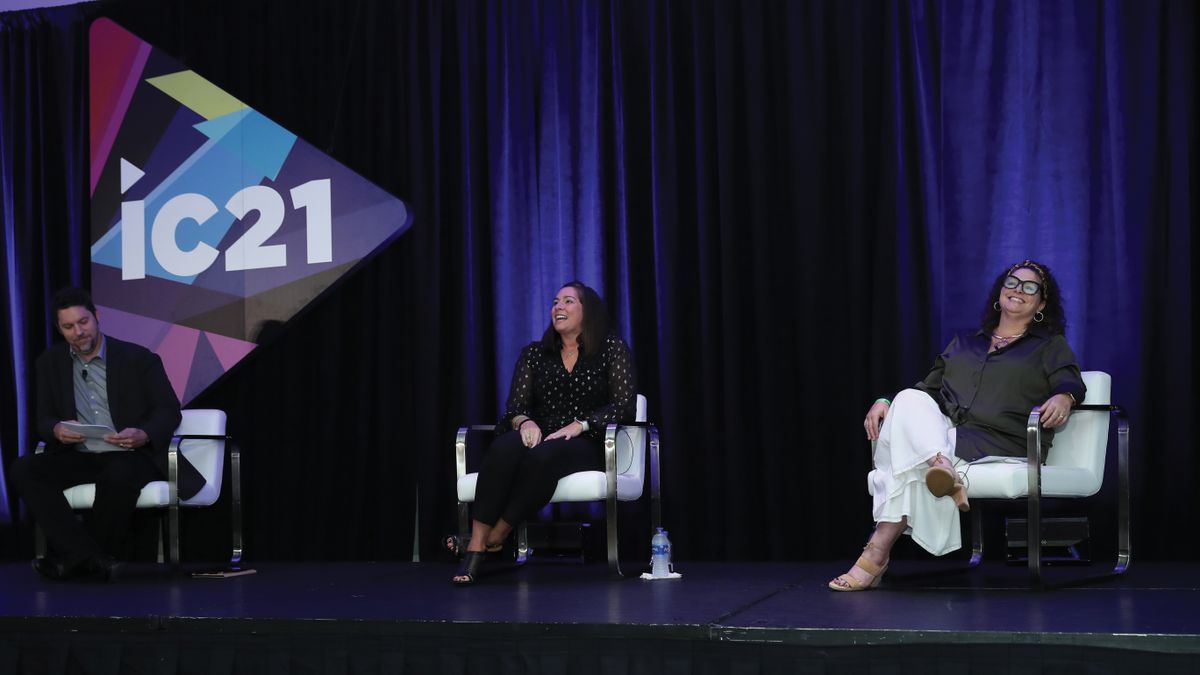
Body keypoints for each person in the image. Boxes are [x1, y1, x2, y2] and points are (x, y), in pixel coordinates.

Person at [829, 260, 1086, 591]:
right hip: (949, 438)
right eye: (1013, 282)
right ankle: (941, 466)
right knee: (908, 397)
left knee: (905, 457)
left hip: (1003, 441)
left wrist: (1064, 397)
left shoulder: (1049, 346)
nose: (1018, 290)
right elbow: (926, 391)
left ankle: (876, 552)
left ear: (1041, 304)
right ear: (999, 292)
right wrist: (886, 402)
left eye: (1030, 287)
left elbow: (1070, 379)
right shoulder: (964, 343)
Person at [10, 287, 204, 581]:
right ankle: (91, 558)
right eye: (68, 327)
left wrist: (144, 433)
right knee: (24, 468)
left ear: (97, 317)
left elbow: (168, 410)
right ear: (59, 329)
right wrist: (56, 429)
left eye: (83, 322)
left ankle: (74, 559)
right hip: (79, 453)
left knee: (118, 473)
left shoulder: (138, 358)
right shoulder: (49, 363)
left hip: (131, 453)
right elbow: (43, 419)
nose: (78, 332)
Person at [450, 281, 637, 585]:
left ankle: (494, 537)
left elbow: (624, 405)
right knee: (503, 448)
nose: (558, 307)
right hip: (541, 434)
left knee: (543, 457)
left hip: (589, 441)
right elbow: (514, 407)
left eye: (568, 301)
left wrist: (582, 423)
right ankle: (478, 543)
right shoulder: (535, 354)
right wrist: (525, 422)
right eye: (554, 302)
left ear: (587, 311)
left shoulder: (611, 348)